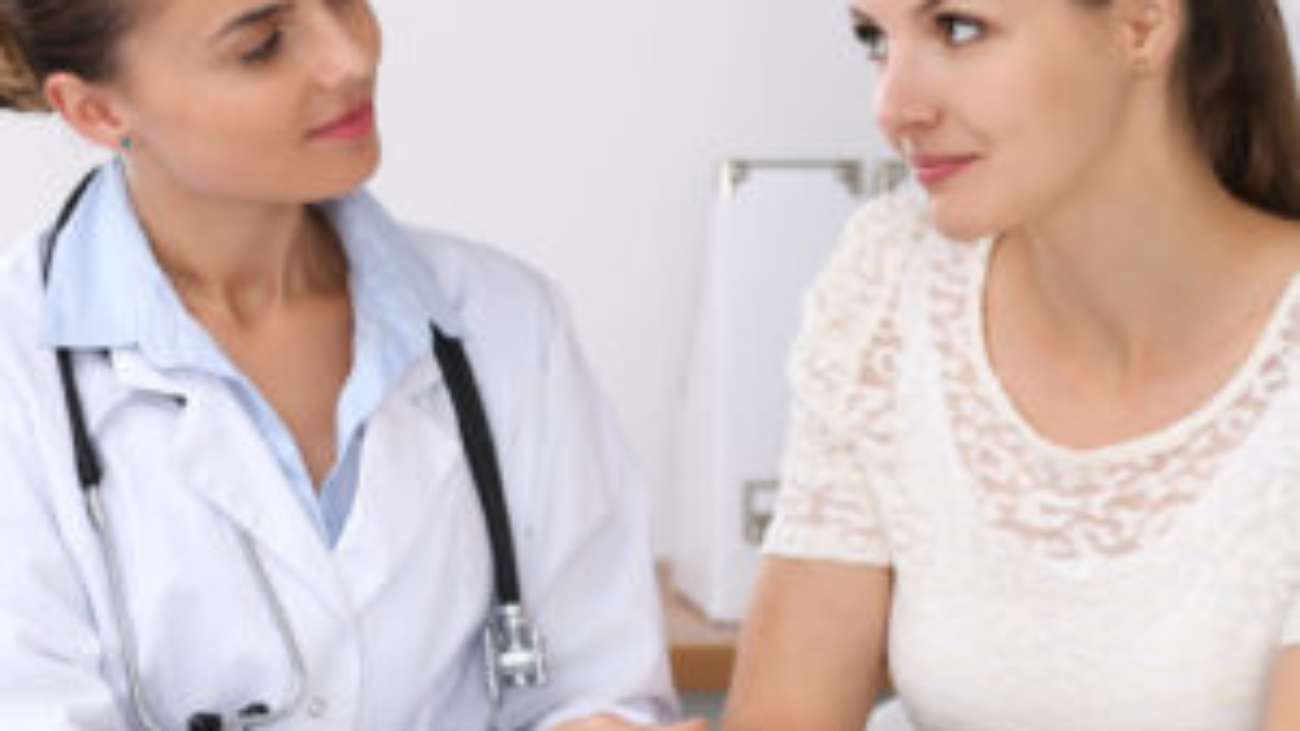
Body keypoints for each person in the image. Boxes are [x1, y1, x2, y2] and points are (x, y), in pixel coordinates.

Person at [0, 1, 707, 729]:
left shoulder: (510, 324)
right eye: (264, 44)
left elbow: (594, 681)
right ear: (93, 110)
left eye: (343, 0)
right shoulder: (18, 377)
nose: (351, 58)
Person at [723, 0, 1300, 729]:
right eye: (874, 37)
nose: (894, 107)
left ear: (1142, 25)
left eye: (958, 28)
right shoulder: (889, 278)